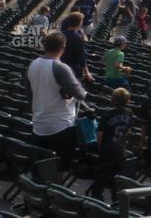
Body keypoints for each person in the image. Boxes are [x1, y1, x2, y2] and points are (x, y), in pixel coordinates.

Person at [25, 32, 87, 169]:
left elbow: (29, 94)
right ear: (63, 47)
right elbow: (80, 94)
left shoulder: (32, 64)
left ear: (44, 45)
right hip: (61, 125)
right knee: (59, 167)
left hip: (39, 123)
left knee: (42, 166)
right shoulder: (61, 67)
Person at [88, 87, 133, 202]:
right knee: (117, 176)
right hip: (120, 148)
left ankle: (96, 196)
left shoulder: (107, 114)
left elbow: (100, 133)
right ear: (127, 101)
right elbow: (128, 131)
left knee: (102, 173)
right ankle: (116, 199)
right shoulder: (129, 113)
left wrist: (99, 145)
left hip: (107, 148)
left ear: (112, 100)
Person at [60, 11, 93, 84]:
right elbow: (81, 57)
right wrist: (87, 72)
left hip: (60, 66)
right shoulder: (78, 37)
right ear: (80, 23)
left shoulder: (61, 35)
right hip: (73, 69)